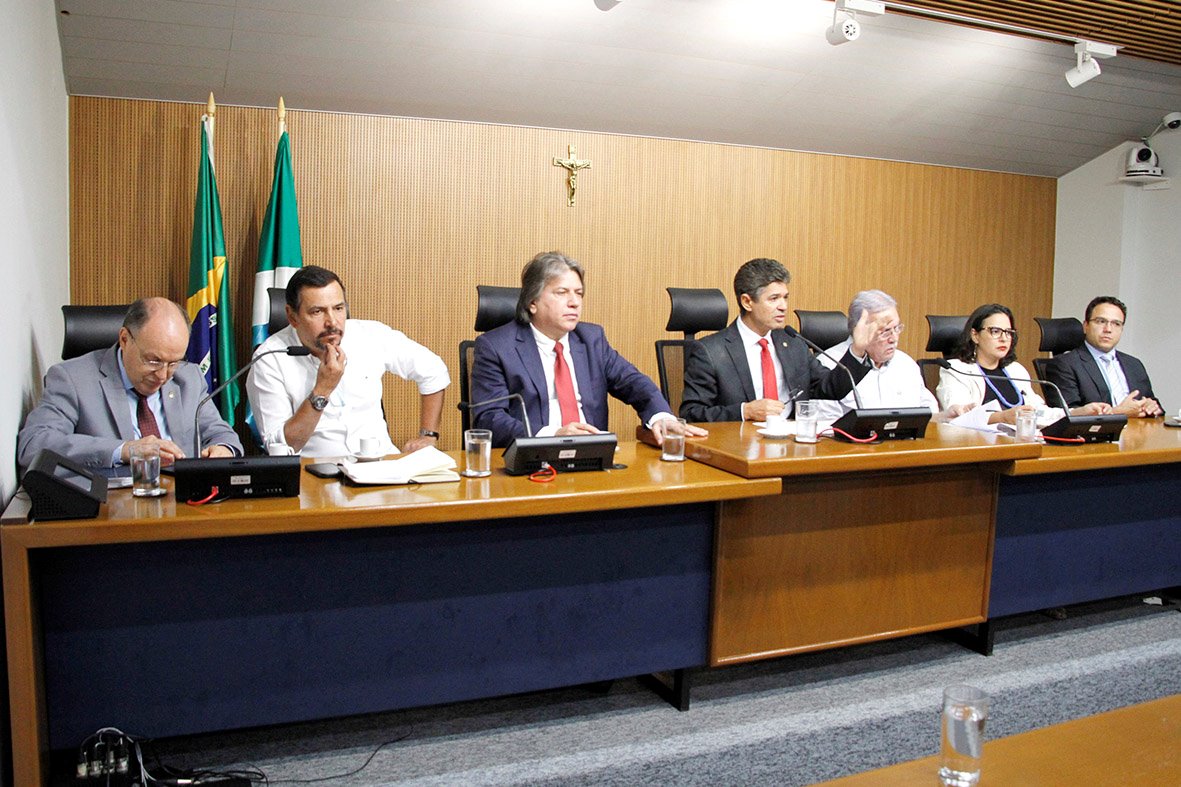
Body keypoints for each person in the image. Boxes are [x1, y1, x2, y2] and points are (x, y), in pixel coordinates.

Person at [471, 251, 705, 447]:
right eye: (562, 293)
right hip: (533, 462)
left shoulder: (591, 339)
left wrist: (661, 416)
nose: (574, 302)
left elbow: (634, 382)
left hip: (592, 460)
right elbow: (490, 419)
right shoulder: (496, 347)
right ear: (532, 302)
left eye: (579, 293)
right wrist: (553, 435)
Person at [246, 265, 450, 458]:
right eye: (317, 312)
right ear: (292, 317)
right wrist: (322, 389)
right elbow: (281, 446)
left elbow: (433, 370)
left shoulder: (370, 334)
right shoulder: (269, 359)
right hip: (314, 473)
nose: (332, 322)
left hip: (381, 466)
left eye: (338, 308)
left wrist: (428, 435)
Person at [17, 297, 243, 469]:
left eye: (173, 362)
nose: (163, 375)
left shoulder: (189, 378)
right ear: (124, 339)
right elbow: (34, 445)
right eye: (153, 360)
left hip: (184, 507)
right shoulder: (72, 379)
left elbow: (221, 434)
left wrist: (224, 450)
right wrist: (124, 450)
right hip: (112, 508)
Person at [679, 258, 874, 423]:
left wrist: (857, 350)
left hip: (791, 443)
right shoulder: (710, 351)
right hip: (740, 445)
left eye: (785, 298)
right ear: (747, 302)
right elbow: (691, 413)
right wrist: (745, 411)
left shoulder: (793, 343)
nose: (783, 306)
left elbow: (830, 388)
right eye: (773, 299)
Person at [936, 303, 1109, 426]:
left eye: (1008, 332)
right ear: (975, 335)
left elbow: (1039, 412)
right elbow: (959, 418)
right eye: (995, 331)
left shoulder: (1015, 370)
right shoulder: (956, 370)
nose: (1004, 338)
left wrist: (1078, 413)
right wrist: (1002, 417)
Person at [813, 290, 973, 422]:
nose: (894, 338)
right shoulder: (830, 366)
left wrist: (945, 417)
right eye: (885, 331)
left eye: (897, 328)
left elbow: (925, 416)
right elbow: (825, 425)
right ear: (860, 329)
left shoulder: (906, 364)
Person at [1045, 296, 1163, 418]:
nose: (1108, 329)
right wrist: (1118, 412)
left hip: (1139, 428)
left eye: (1116, 324)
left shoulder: (1134, 364)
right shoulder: (1064, 364)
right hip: (1098, 430)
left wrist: (1151, 406)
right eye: (1101, 321)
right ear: (1085, 326)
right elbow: (1068, 415)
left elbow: (1151, 401)